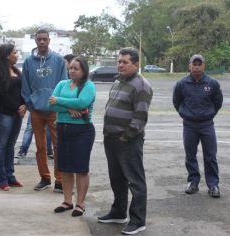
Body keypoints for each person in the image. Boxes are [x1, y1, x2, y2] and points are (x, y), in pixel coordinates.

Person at [97, 48, 153, 235]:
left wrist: (125, 136)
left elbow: (140, 117)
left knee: (135, 181)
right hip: (111, 139)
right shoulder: (118, 81)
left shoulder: (141, 86)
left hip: (128, 141)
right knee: (116, 179)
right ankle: (119, 212)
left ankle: (138, 220)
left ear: (136, 65)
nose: (120, 64)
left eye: (125, 62)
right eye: (119, 61)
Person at [21, 29, 68, 192]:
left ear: (49, 41)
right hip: (36, 110)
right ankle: (45, 178)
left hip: (54, 110)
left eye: (45, 39)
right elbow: (25, 86)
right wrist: (29, 104)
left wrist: (59, 103)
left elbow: (63, 83)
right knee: (40, 147)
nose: (42, 42)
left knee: (58, 146)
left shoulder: (58, 60)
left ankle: (60, 179)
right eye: (39, 39)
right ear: (35, 41)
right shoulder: (28, 62)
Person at [49, 57, 96, 217]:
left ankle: (80, 203)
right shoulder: (62, 84)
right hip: (63, 128)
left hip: (82, 131)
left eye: (76, 68)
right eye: (70, 68)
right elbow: (50, 104)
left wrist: (60, 102)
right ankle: (67, 201)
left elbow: (82, 103)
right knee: (65, 168)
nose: (72, 71)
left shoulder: (88, 86)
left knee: (81, 169)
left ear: (84, 70)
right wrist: (68, 109)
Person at [173, 54, 223, 198]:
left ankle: (213, 185)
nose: (196, 67)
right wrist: (185, 114)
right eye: (194, 64)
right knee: (190, 156)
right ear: (189, 66)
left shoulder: (212, 83)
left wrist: (209, 114)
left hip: (207, 125)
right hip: (189, 125)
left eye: (199, 64)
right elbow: (177, 102)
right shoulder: (182, 84)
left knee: (210, 156)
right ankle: (193, 182)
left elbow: (218, 102)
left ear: (204, 66)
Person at [0, 44, 26, 191]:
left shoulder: (16, 70)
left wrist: (24, 105)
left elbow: (22, 90)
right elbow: (1, 95)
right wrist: (18, 108)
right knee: (1, 145)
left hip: (17, 114)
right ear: (6, 55)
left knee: (10, 145)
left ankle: (10, 176)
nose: (17, 55)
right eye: (14, 53)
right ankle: (1, 179)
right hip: (4, 113)